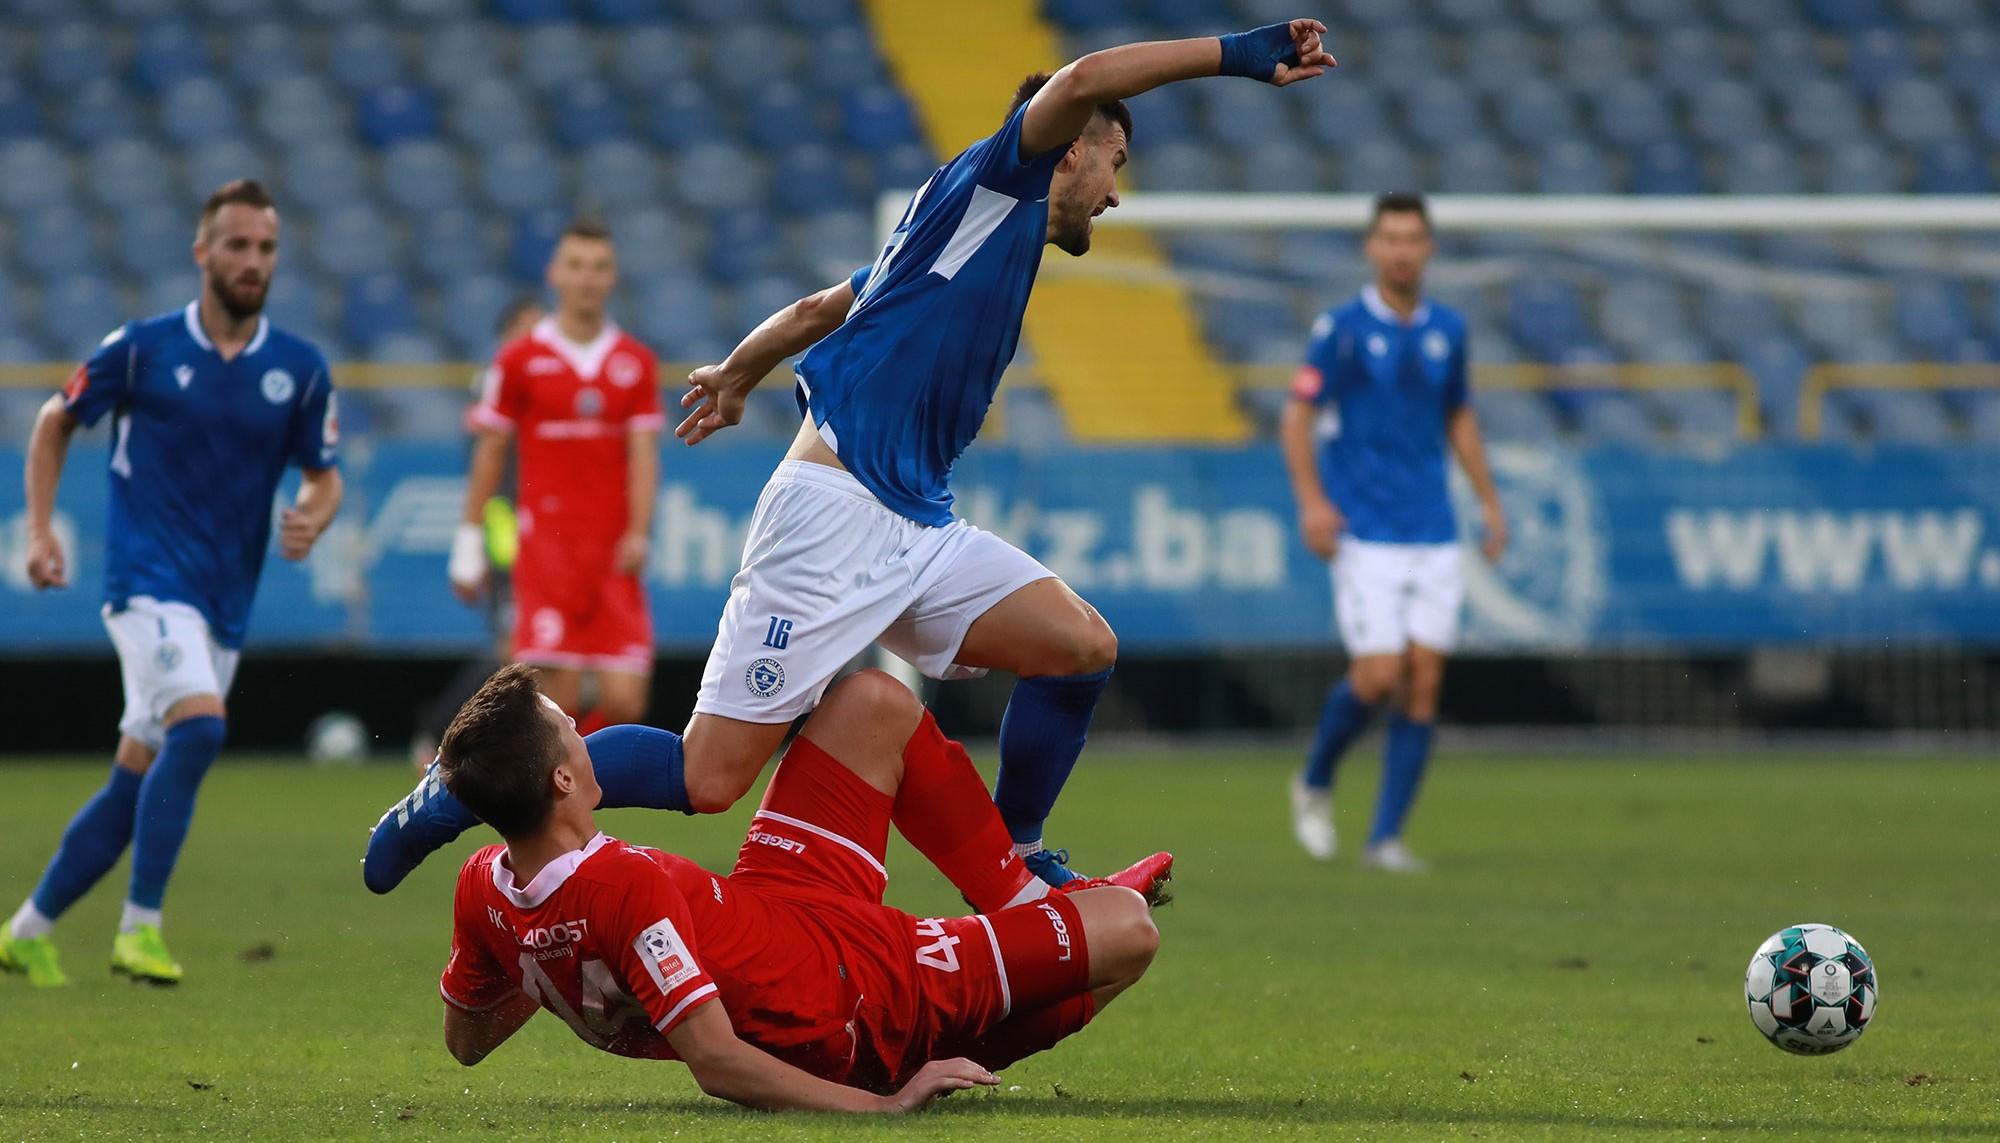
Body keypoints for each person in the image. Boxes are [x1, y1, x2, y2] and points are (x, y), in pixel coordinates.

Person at [364, 18, 1337, 896]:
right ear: (1069, 146)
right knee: (708, 780)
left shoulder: (962, 227)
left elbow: (825, 305)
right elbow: (1083, 71)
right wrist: (1243, 54)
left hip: (916, 523)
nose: (1116, 192)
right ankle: (452, 791)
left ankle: (1016, 855)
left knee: (1082, 647)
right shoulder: (999, 173)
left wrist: (740, 371)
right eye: (1113, 161)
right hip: (830, 518)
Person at [434, 664, 1165, 1111]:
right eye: (570, 729)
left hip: (780, 903)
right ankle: (934, 1053)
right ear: (563, 777)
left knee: (872, 701)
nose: (584, 734)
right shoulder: (622, 882)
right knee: (1130, 927)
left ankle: (1026, 905)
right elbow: (716, 1061)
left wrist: (544, 953)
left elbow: (465, 1042)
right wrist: (881, 1110)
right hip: (859, 988)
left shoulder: (484, 888)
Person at [0, 181, 343, 986]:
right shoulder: (142, 347)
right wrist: (42, 528)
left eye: (265, 247)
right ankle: (140, 927)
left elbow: (324, 477)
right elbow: (56, 420)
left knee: (135, 779)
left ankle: (26, 928)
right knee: (202, 727)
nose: (252, 260)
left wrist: (315, 514)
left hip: (224, 603)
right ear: (202, 252)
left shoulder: (298, 369)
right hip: (146, 582)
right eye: (236, 244)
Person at [1281, 192, 1506, 872]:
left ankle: (1384, 839)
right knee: (1379, 676)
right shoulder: (1341, 329)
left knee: (1424, 683)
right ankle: (1315, 780)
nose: (1402, 249)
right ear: (1372, 249)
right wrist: (1312, 503)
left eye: (1413, 238)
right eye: (1390, 238)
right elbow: (1296, 416)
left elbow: (1458, 417)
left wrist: (1490, 504)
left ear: (1429, 248)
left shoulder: (1449, 330)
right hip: (1365, 530)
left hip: (1433, 529)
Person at [448, 222, 662, 735]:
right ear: (555, 275)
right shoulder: (519, 359)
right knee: (555, 705)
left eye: (599, 267)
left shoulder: (635, 362)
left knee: (626, 699)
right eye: (577, 266)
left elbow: (644, 456)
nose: (587, 278)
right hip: (548, 552)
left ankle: (570, 779)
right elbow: (490, 451)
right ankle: (567, 800)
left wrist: (639, 530)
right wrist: (468, 538)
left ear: (613, 278)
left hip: (611, 551)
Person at [408, 297, 545, 771]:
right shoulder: (497, 385)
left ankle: (488, 742)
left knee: (530, 651)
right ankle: (443, 728)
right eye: (524, 330)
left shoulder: (544, 381)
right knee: (517, 646)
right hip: (509, 523)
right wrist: (474, 546)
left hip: (544, 525)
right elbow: (485, 462)